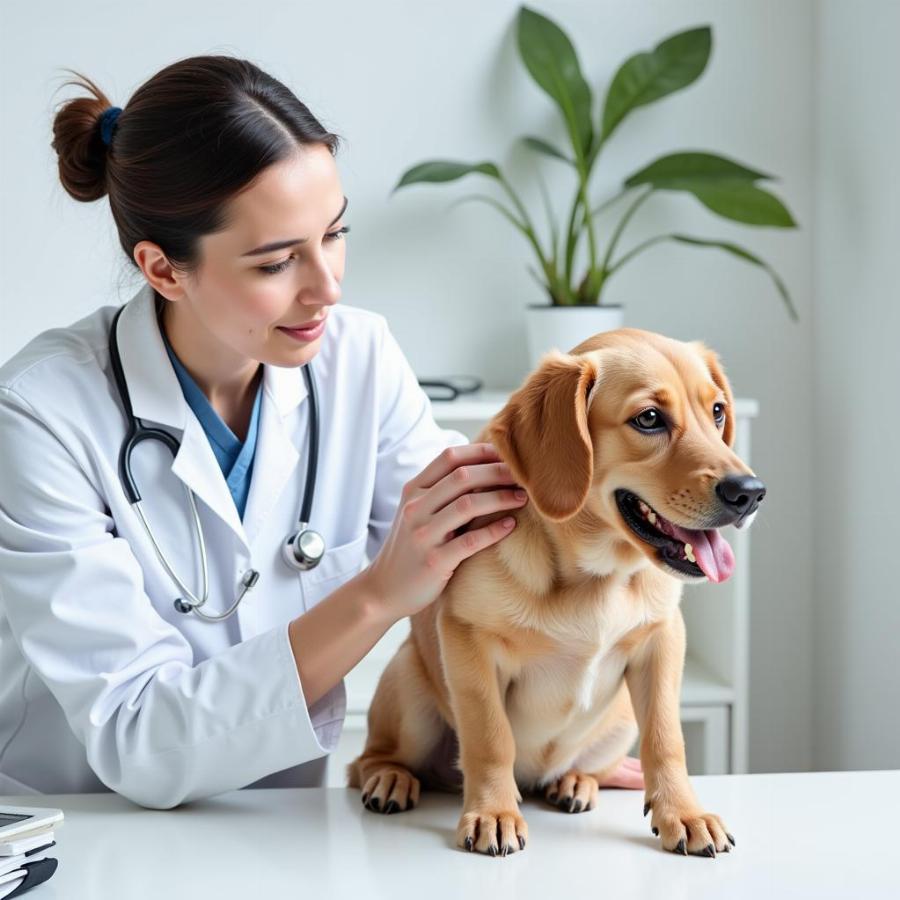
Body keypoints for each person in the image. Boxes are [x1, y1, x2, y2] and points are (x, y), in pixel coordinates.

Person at [0, 56, 642, 809]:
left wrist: (572, 743)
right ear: (163, 269)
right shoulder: (43, 413)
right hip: (85, 822)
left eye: (333, 234)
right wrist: (378, 594)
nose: (328, 285)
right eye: (277, 261)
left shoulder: (358, 358)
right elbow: (136, 736)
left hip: (285, 814)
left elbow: (498, 546)